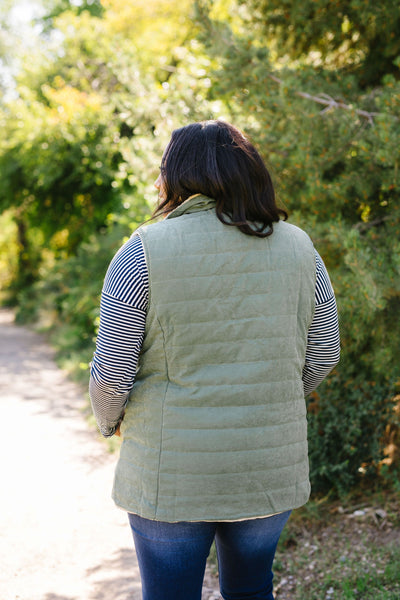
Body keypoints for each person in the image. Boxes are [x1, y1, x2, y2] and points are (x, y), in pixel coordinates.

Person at [89, 120, 340, 600]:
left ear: (176, 176)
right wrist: (274, 393)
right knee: (250, 590)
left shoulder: (141, 252)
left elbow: (111, 375)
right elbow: (324, 351)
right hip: (266, 462)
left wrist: (111, 423)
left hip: (170, 469)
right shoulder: (299, 247)